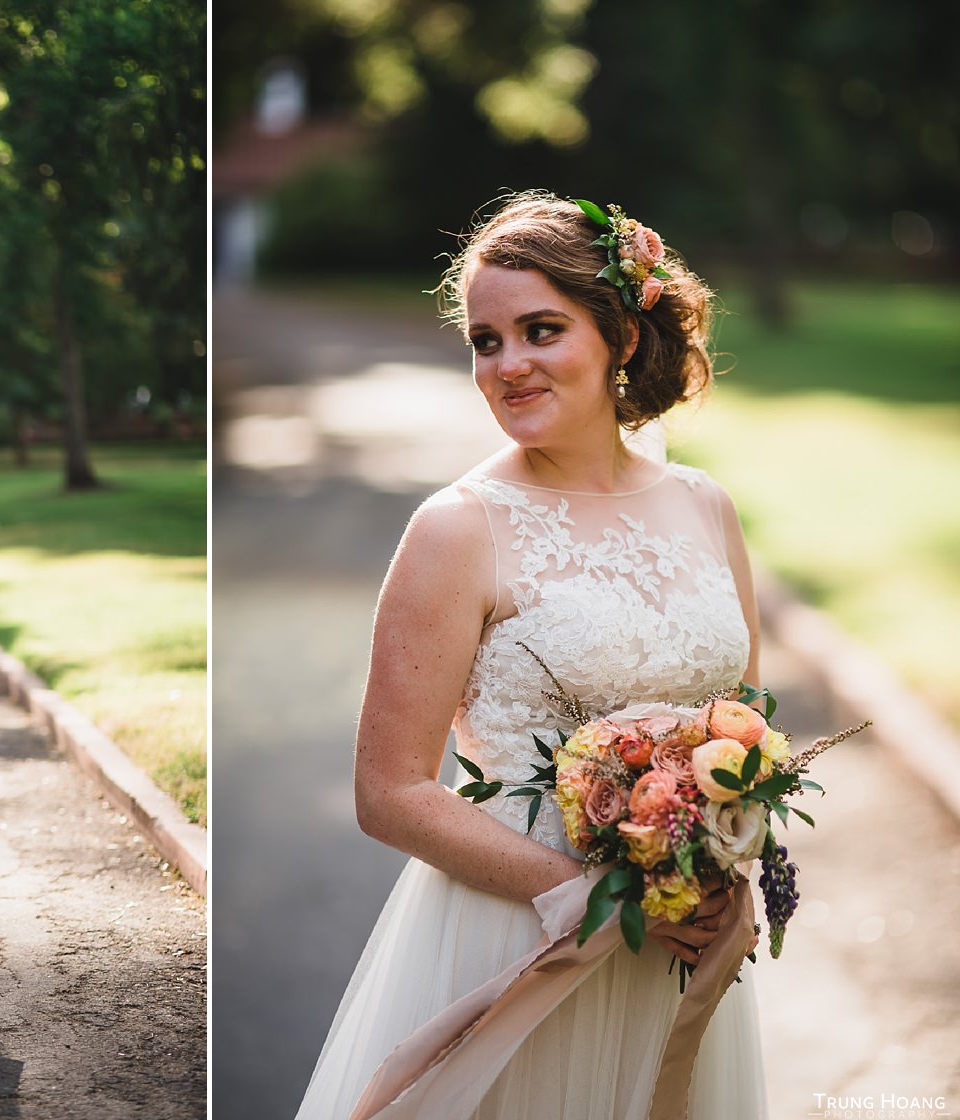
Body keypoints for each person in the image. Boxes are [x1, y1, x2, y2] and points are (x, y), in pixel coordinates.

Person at [294, 192, 766, 1119]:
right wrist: (603, 897)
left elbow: (745, 721)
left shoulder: (707, 507)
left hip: (682, 945)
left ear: (622, 338)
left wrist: (717, 863)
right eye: (484, 340)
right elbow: (390, 793)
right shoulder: (457, 529)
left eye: (540, 331)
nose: (508, 366)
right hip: (519, 929)